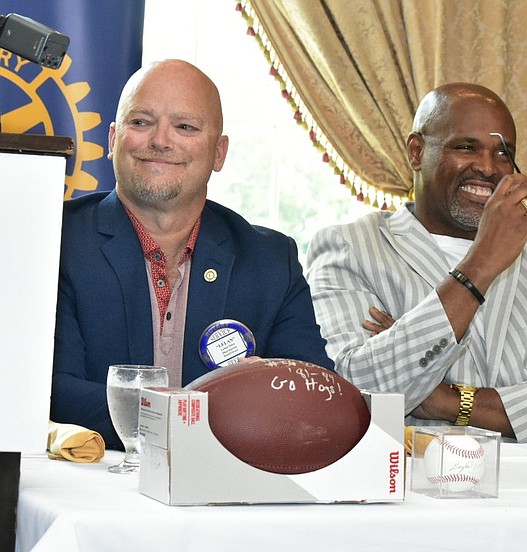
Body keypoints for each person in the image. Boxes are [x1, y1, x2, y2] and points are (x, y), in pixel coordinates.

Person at [306, 83, 527, 442]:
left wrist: (448, 401)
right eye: (466, 147)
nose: (488, 168)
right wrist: (480, 264)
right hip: (411, 483)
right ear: (417, 152)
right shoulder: (350, 248)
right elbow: (360, 388)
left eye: (503, 153)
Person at [50, 60, 333, 449]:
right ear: (113, 139)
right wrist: (213, 413)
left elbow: (313, 396)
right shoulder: (55, 239)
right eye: (141, 122)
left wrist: (182, 415)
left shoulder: (269, 259)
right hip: (90, 483)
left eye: (185, 127)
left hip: (228, 495)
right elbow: (52, 390)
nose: (161, 140)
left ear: (219, 153)